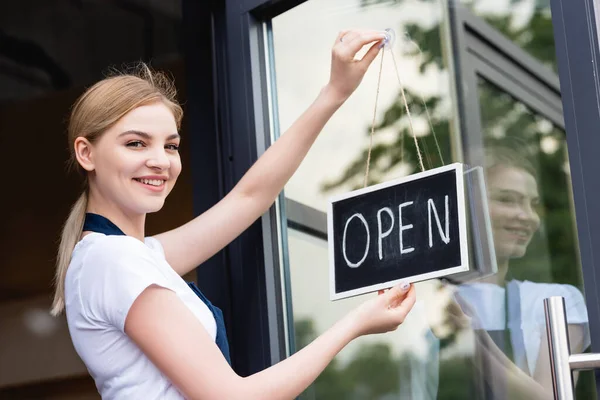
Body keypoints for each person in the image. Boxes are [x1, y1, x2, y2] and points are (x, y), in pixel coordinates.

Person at [50, 29, 416, 400]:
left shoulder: (129, 256)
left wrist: (335, 92)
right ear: (86, 153)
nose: (160, 161)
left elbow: (249, 197)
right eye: (135, 143)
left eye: (171, 145)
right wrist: (356, 323)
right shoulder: (114, 260)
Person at [443, 142, 590, 399]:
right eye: (507, 200)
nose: (528, 216)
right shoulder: (428, 298)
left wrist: (469, 336)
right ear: (464, 206)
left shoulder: (555, 301)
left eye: (532, 204)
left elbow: (550, 398)